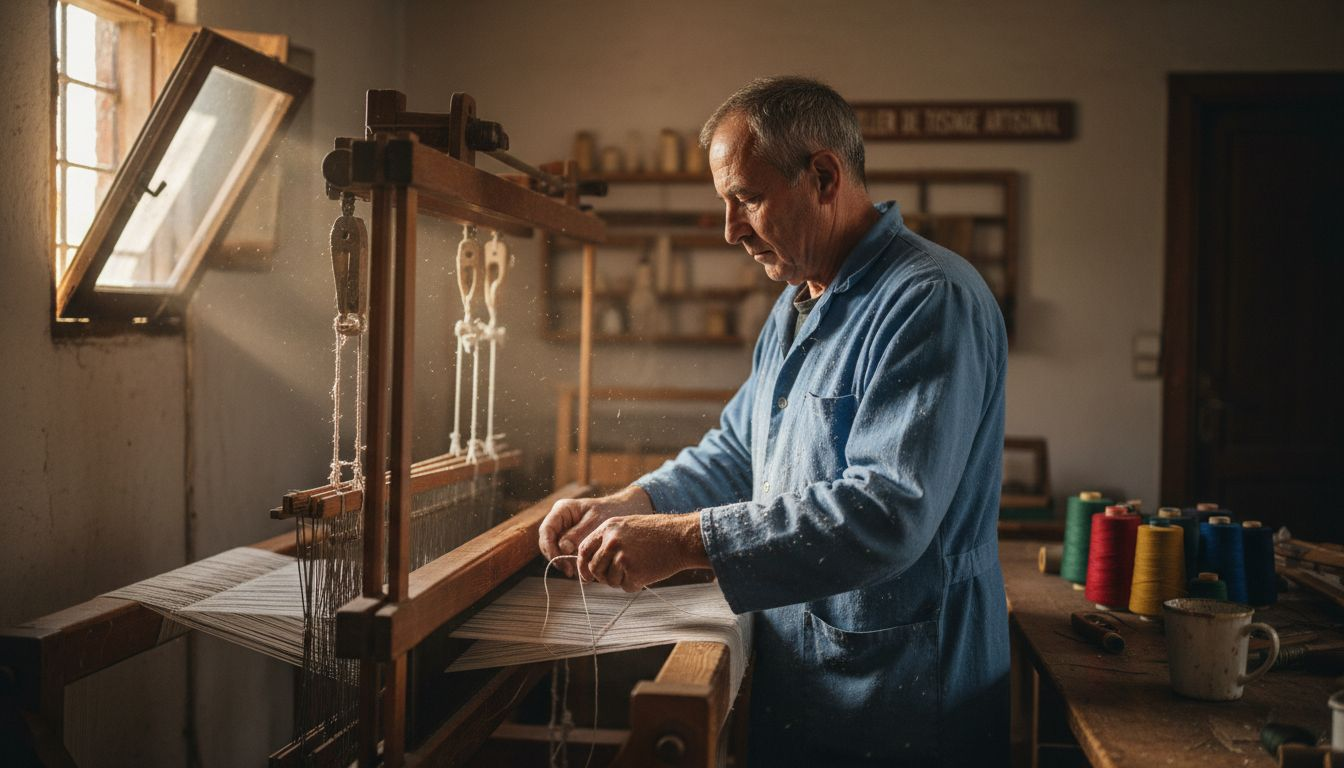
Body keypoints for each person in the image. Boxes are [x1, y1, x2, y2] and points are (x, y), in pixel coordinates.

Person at [538, 76, 1009, 766]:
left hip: (906, 690)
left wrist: (683, 539)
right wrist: (629, 502)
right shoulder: (796, 305)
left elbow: (888, 512)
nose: (731, 230)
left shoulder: (928, 300)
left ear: (823, 176)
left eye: (747, 200)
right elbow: (737, 450)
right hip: (811, 673)